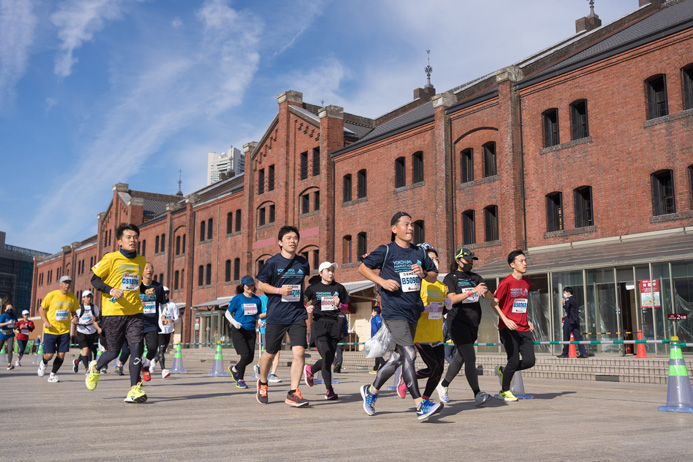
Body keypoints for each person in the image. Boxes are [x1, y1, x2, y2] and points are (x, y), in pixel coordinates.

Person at [358, 211, 442, 421]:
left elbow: (434, 274)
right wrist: (382, 282)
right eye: (406, 225)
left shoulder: (419, 253)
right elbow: (363, 267)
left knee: (397, 358)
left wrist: (423, 273)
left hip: (413, 310)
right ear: (394, 229)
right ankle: (420, 405)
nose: (410, 228)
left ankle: (371, 392)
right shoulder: (386, 251)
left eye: (412, 225)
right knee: (410, 354)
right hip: (394, 311)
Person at [85, 223, 153, 403]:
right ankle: (96, 367)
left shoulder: (140, 260)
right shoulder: (110, 258)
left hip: (135, 312)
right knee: (113, 352)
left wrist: (145, 290)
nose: (133, 240)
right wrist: (110, 290)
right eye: (128, 237)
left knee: (137, 348)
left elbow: (136, 285)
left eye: (135, 237)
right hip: (113, 313)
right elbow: (94, 280)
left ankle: (134, 389)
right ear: (119, 242)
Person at [254, 225, 313, 407]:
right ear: (280, 242)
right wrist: (279, 290)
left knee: (299, 351)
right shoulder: (272, 262)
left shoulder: (303, 262)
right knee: (270, 353)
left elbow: (302, 287)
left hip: (296, 314)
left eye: (295, 237)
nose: (292, 241)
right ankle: (263, 382)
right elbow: (260, 285)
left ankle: (293, 392)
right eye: (288, 238)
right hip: (277, 314)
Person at [437, 247, 493, 406]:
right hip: (457, 322)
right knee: (470, 356)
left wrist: (485, 292)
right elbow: (452, 299)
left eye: (471, 260)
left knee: (460, 357)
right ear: (458, 260)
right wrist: (472, 291)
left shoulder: (476, 277)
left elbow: (488, 296)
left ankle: (443, 385)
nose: (470, 263)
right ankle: (477, 393)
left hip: (473, 322)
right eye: (467, 260)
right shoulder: (451, 278)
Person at [397, 245, 449, 406]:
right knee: (433, 366)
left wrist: (449, 303)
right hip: (420, 332)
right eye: (431, 259)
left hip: (437, 332)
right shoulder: (417, 283)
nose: (435, 262)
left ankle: (426, 400)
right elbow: (408, 304)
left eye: (436, 259)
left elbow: (446, 306)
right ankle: (405, 379)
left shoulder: (441, 285)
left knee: (439, 370)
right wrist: (424, 308)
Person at [493, 249, 536, 401]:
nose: (525, 264)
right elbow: (494, 303)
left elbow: (521, 304)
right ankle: (504, 391)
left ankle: (504, 371)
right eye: (521, 261)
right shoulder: (506, 282)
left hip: (523, 327)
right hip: (508, 328)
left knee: (530, 361)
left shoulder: (527, 282)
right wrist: (505, 320)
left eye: (525, 261)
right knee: (513, 360)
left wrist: (528, 319)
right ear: (512, 264)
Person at [303, 262, 349, 400]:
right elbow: (302, 301)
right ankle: (329, 390)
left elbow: (347, 307)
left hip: (335, 325)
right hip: (320, 324)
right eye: (328, 270)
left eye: (332, 270)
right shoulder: (313, 288)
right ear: (320, 273)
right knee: (327, 354)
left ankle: (310, 369)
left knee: (328, 359)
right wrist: (306, 308)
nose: (331, 273)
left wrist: (339, 304)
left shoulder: (339, 288)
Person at [37, 275, 79, 382]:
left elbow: (74, 311)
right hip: (51, 330)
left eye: (69, 283)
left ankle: (52, 375)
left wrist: (74, 318)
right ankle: (44, 362)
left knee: (61, 355)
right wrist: (45, 322)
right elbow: (41, 309)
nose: (67, 285)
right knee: (49, 355)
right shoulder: (51, 295)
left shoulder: (72, 297)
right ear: (60, 284)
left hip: (64, 330)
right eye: (65, 282)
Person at [226, 275, 262, 389]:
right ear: (243, 286)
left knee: (250, 358)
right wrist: (234, 322)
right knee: (245, 354)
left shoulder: (257, 299)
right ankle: (240, 379)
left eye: (252, 285)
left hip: (251, 331)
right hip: (239, 330)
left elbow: (257, 314)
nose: (250, 287)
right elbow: (227, 313)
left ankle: (234, 369)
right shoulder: (238, 298)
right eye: (247, 285)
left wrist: (260, 321)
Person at [139, 262, 165, 382]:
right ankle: (139, 376)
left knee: (153, 347)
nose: (149, 270)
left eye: (151, 268)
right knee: (136, 350)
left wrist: (164, 316)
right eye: (146, 268)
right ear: (141, 271)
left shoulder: (158, 287)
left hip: (152, 324)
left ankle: (145, 362)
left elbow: (163, 304)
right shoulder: (137, 286)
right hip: (137, 323)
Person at [254, 294, 282, 384]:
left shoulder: (277, 297)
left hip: (277, 327)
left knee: (276, 352)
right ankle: (267, 371)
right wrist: (269, 312)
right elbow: (257, 315)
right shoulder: (260, 299)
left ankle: (271, 373)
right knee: (270, 352)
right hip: (266, 328)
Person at [72, 291, 101, 373]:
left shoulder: (94, 307)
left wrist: (95, 321)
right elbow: (73, 319)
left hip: (91, 331)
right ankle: (87, 369)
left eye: (90, 297)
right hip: (81, 331)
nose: (89, 298)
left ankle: (76, 362)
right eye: (87, 297)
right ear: (83, 298)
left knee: (87, 351)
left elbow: (98, 319)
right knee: (85, 349)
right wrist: (74, 321)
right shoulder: (78, 308)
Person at [557, 287, 588, 358]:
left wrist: (564, 303)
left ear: (568, 292)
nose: (564, 294)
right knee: (578, 337)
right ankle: (583, 353)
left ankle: (565, 353)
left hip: (569, 320)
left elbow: (567, 308)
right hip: (575, 320)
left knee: (566, 336)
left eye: (564, 292)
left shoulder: (568, 299)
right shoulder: (575, 299)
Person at [157, 286, 179, 378]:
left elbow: (177, 318)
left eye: (166, 293)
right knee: (161, 350)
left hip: (169, 330)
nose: (165, 295)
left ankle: (152, 363)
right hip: (159, 331)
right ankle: (163, 370)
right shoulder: (157, 305)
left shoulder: (172, 305)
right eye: (163, 293)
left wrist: (173, 320)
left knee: (162, 350)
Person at [0, 304, 18, 370]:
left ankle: (9, 364)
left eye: (11, 308)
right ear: (5, 309)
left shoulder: (14, 316)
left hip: (10, 334)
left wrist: (16, 326)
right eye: (8, 308)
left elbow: (16, 325)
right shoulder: (3, 315)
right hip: (2, 333)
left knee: (10, 349)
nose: (10, 309)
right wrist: (7, 323)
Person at [369, 305, 384, 374]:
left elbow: (374, 330)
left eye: (372, 311)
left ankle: (384, 364)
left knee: (377, 354)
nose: (372, 312)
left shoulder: (373, 319)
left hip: (376, 338)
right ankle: (375, 369)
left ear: (375, 312)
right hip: (381, 338)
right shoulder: (381, 319)